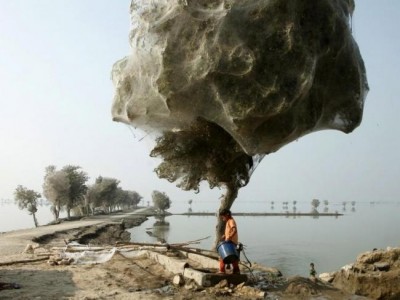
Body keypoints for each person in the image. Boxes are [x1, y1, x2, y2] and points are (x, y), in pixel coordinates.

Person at [218, 209, 240, 274]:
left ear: (227, 215)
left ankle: (222, 271)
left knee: (223, 257)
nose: (222, 219)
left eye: (223, 217)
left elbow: (234, 230)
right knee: (233, 257)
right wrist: (225, 235)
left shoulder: (231, 221)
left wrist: (229, 237)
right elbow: (230, 231)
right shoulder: (228, 221)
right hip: (231, 242)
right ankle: (236, 271)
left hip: (230, 242)